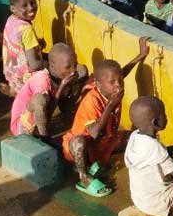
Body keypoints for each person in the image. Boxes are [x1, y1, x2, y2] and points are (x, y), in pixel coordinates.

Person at [62, 40, 150, 197]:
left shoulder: (111, 89)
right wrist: (111, 105)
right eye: (113, 82)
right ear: (98, 84)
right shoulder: (92, 101)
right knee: (78, 142)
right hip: (84, 145)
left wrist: (140, 56)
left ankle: (95, 163)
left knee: (135, 137)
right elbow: (94, 132)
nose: (119, 85)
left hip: (103, 142)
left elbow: (121, 73)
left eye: (120, 81)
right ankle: (84, 177)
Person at [9, 43, 81, 138]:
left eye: (75, 64)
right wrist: (62, 87)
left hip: (40, 117)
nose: (73, 70)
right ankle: (44, 138)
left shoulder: (60, 75)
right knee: (40, 100)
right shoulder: (42, 81)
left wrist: (73, 87)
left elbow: (58, 106)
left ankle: (63, 118)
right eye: (68, 67)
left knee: (82, 73)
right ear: (53, 66)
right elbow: (46, 112)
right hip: (21, 126)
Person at [3, 0, 43, 95]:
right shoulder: (26, 29)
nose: (31, 8)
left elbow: (18, 45)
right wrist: (47, 64)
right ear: (13, 8)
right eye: (24, 5)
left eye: (33, 2)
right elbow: (34, 65)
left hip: (12, 76)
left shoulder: (11, 20)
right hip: (26, 80)